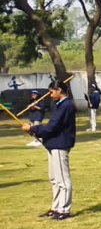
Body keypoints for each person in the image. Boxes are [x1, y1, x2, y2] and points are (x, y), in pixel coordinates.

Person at [21, 79, 75, 220]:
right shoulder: (59, 105)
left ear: (59, 90)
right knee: (54, 179)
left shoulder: (66, 105)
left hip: (60, 144)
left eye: (51, 92)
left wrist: (33, 128)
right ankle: (56, 207)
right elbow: (51, 126)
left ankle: (64, 209)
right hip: (53, 144)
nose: (50, 95)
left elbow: (52, 127)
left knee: (63, 179)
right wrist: (33, 130)